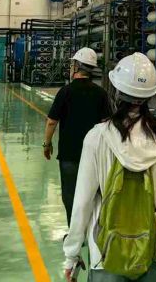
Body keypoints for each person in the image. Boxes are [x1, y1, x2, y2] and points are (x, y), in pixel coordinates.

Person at [63, 52, 156, 281]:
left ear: (116, 92)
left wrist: (72, 254)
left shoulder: (97, 138)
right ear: (150, 97)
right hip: (153, 252)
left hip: (105, 253)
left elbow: (82, 201)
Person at [44, 47, 111, 226]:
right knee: (94, 195)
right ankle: (93, 232)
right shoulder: (101, 93)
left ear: (77, 66)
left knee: (70, 195)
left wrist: (47, 144)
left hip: (70, 155)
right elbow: (107, 124)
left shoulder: (65, 92)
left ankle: (75, 232)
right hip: (95, 156)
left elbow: (51, 122)